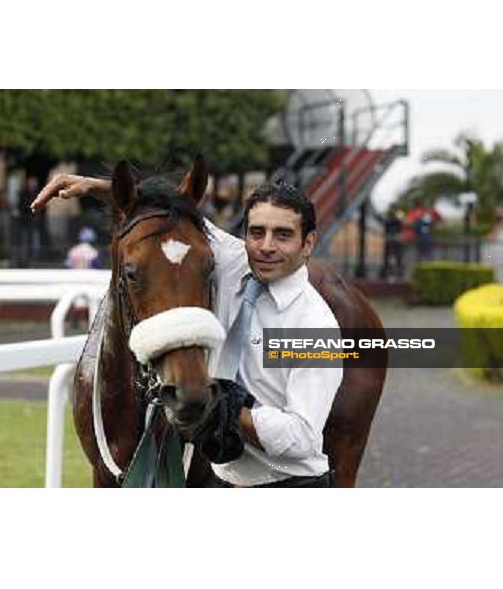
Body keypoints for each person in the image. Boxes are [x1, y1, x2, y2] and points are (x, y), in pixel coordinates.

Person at [31, 176, 343, 488]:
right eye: (257, 232)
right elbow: (170, 217)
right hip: (223, 483)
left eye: (283, 235)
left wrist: (226, 409)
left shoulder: (315, 325)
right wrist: (100, 188)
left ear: (308, 243)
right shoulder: (234, 258)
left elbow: (302, 437)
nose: (266, 247)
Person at [375, 206, 404, 279]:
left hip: (394, 239)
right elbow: (382, 221)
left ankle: (399, 272)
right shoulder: (390, 220)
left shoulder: (396, 220)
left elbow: (399, 223)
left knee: (396, 257)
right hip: (391, 239)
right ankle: (386, 272)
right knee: (389, 257)